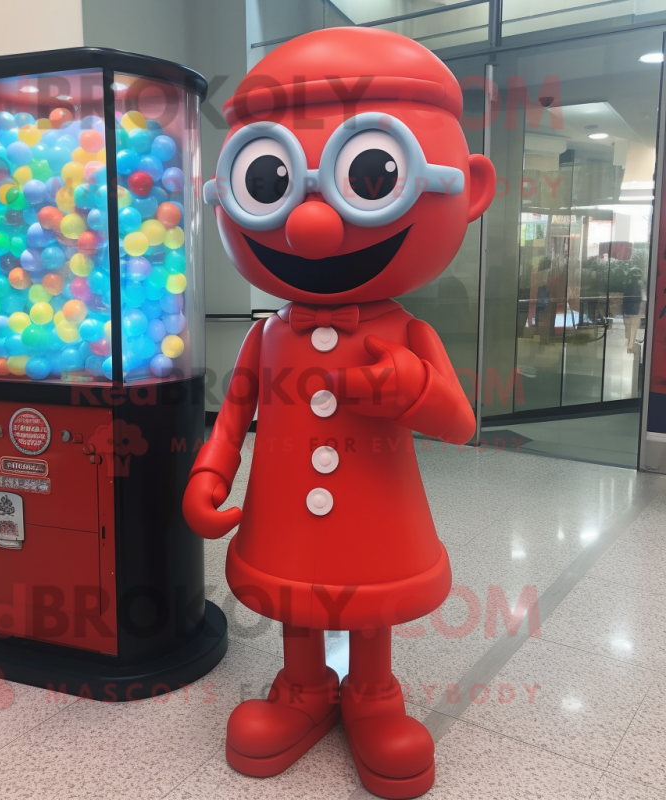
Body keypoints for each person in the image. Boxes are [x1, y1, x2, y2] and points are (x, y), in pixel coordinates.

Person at [183, 28, 495, 799]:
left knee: (367, 597)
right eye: (271, 181)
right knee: (296, 594)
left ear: (471, 188)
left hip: (377, 515)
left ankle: (371, 693)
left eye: (371, 173)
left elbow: (461, 423)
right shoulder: (266, 335)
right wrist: (210, 472)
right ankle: (302, 688)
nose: (313, 225)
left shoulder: (406, 333)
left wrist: (411, 389)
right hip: (285, 514)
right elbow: (234, 413)